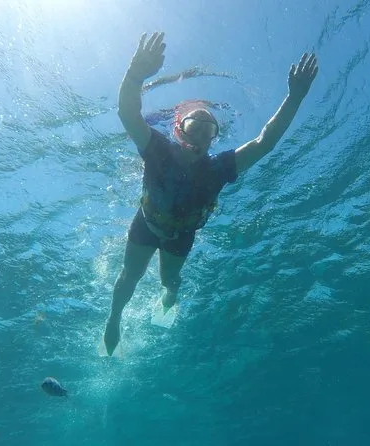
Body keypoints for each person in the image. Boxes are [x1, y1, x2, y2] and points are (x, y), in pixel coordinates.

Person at [103, 32, 318, 356]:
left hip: (182, 235)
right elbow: (128, 114)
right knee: (129, 276)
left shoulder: (219, 167)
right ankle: (114, 319)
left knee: (169, 281)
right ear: (179, 129)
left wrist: (295, 98)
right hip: (146, 223)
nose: (201, 136)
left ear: (214, 138)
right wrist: (135, 74)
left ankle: (169, 299)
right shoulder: (156, 148)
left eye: (209, 131)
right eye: (195, 127)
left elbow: (265, 142)